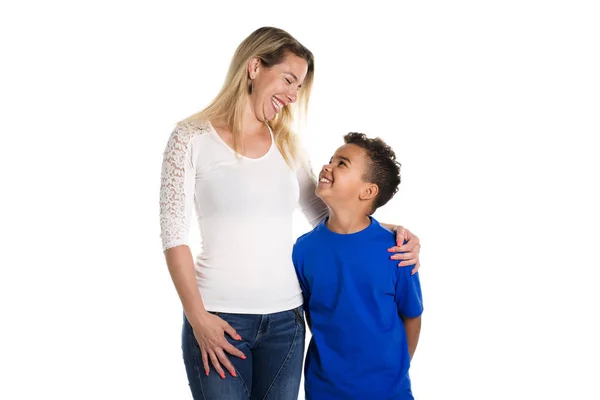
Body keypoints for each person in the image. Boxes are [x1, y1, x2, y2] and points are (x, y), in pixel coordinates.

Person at [159, 27, 422, 400]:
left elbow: (327, 216)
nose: (292, 95)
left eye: (298, 87)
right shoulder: (190, 138)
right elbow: (173, 237)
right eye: (288, 80)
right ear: (254, 67)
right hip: (218, 317)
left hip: (286, 323)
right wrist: (198, 317)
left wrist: (393, 234)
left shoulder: (287, 143)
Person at [292, 132, 423, 400]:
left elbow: (412, 316)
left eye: (342, 163)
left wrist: (397, 369)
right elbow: (312, 316)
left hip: (389, 392)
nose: (328, 166)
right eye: (331, 160)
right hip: (324, 390)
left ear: (368, 191)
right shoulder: (304, 249)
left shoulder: (396, 249)